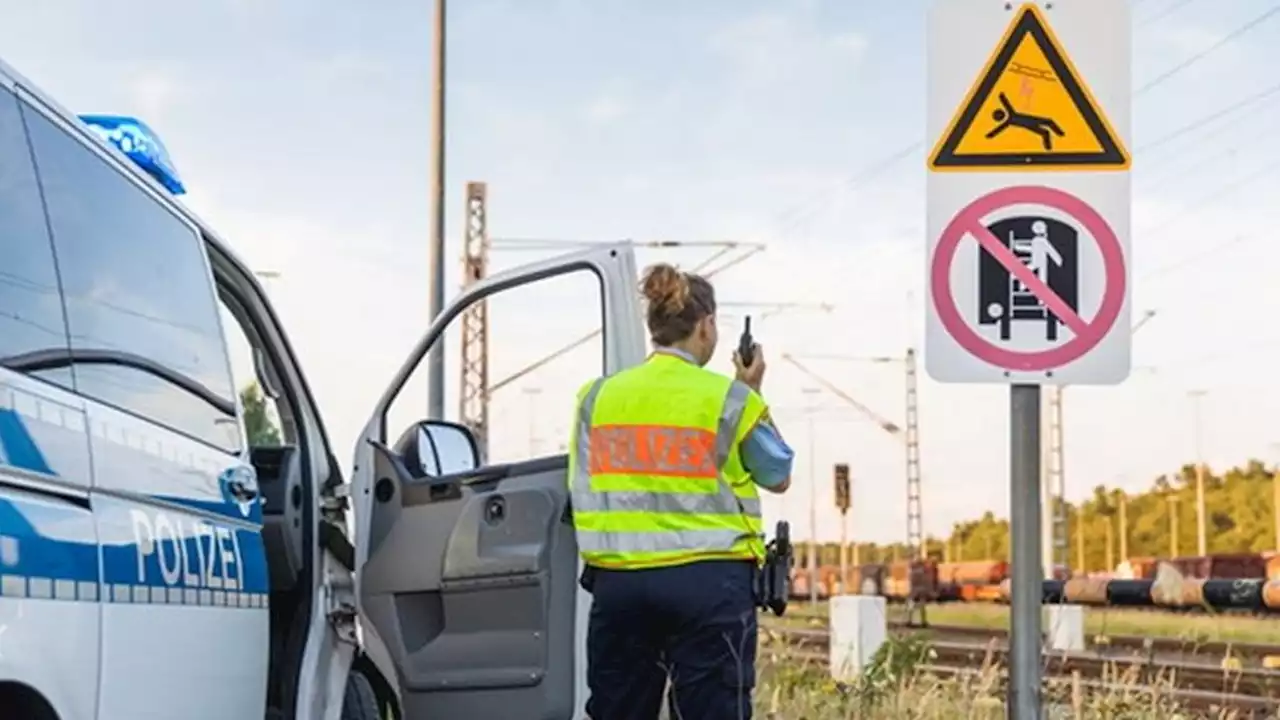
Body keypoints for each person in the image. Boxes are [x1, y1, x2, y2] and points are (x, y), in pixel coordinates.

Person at [567, 262, 794, 720]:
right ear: (706, 326)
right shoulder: (729, 399)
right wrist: (752, 392)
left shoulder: (595, 398)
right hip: (709, 586)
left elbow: (583, 483)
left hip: (620, 586)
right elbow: (778, 474)